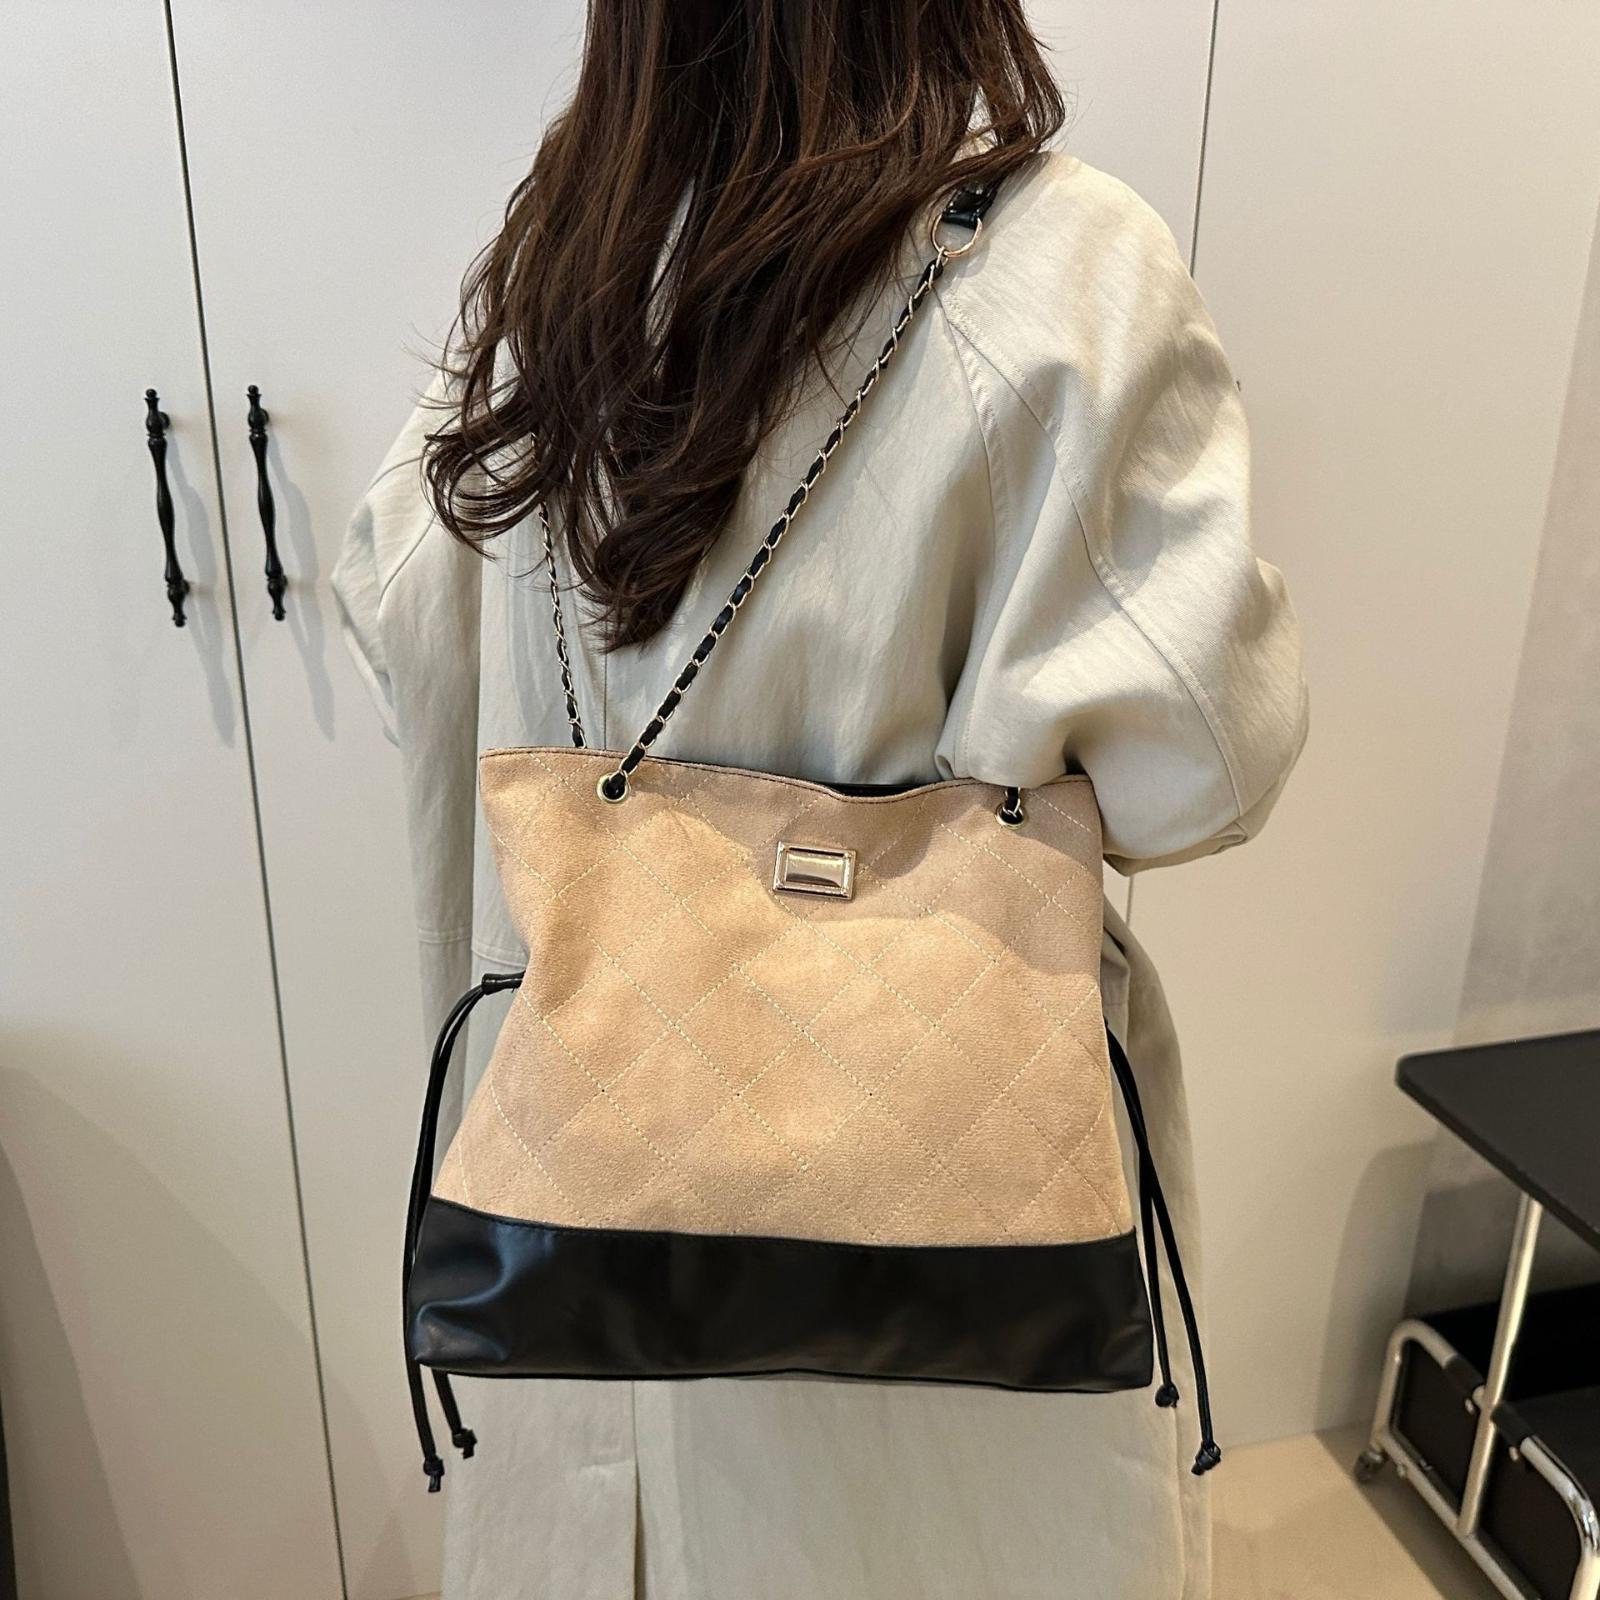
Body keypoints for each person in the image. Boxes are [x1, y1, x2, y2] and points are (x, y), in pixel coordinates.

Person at [333, 3, 1309, 1595]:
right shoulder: (1061, 269)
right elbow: (1205, 762)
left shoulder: (552, 277)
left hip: (577, 1267)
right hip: (942, 1341)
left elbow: (402, 626)